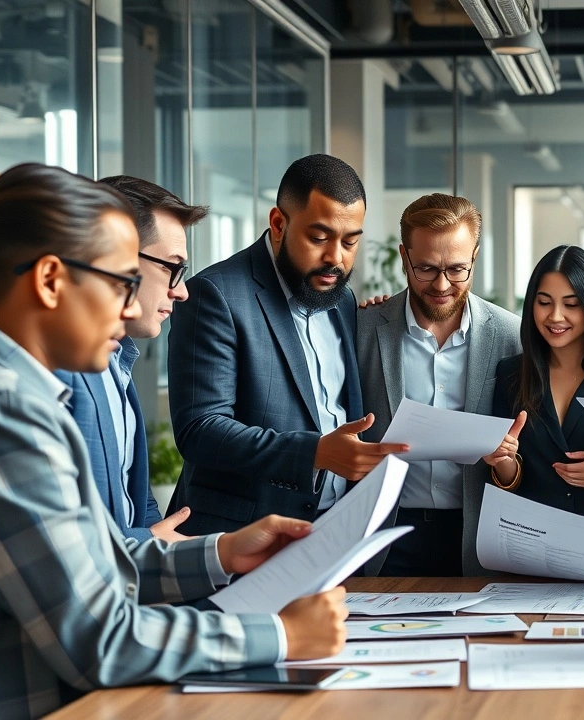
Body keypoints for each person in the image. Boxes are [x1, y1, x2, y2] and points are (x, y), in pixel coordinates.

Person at [0, 160, 349, 718]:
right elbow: (97, 637)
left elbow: (91, 564)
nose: (133, 307)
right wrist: (278, 637)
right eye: (120, 284)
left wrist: (224, 551)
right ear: (51, 280)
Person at [166, 154, 408, 535]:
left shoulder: (342, 300)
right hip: (240, 535)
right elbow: (200, 429)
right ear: (278, 224)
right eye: (318, 238)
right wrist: (315, 453)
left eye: (350, 242)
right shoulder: (215, 295)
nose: (336, 259)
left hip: (333, 531)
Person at [355, 193, 521, 577]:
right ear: (403, 257)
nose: (442, 284)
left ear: (475, 256)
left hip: (478, 537)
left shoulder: (512, 336)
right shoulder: (362, 328)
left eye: (458, 269)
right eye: (426, 268)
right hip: (385, 535)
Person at [56, 176, 205, 543]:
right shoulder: (61, 369)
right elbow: (75, 540)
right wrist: (154, 546)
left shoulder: (118, 361)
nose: (181, 290)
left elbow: (135, 502)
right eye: (172, 267)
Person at [487, 245, 584, 551]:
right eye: (544, 302)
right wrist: (502, 462)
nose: (555, 316)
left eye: (571, 304)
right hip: (532, 547)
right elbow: (509, 478)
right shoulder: (510, 374)